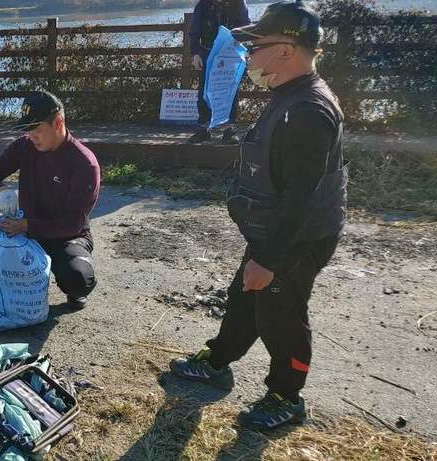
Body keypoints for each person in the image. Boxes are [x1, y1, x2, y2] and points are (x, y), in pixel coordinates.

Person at [169, 1, 347, 430]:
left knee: (281, 313)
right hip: (275, 231)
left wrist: (268, 258)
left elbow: (302, 197)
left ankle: (287, 396)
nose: (248, 55)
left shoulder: (308, 110)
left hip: (297, 237)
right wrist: (260, 254)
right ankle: (218, 361)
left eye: (257, 45)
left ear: (287, 49)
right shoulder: (287, 96)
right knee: (245, 295)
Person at [0, 91, 100, 310]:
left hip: (65, 235)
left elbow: (73, 223)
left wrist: (28, 225)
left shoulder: (84, 163)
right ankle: (20, 279)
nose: (31, 136)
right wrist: (1, 191)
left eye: (37, 129)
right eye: (27, 129)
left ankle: (71, 287)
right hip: (24, 230)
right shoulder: (24, 146)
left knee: (78, 280)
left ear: (58, 123)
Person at [187, 0, 251, 144]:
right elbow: (194, 31)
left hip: (230, 54)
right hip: (207, 54)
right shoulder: (203, 4)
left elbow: (246, 26)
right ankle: (203, 129)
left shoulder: (239, 3)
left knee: (231, 93)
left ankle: (229, 131)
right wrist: (195, 53)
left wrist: (239, 40)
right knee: (204, 93)